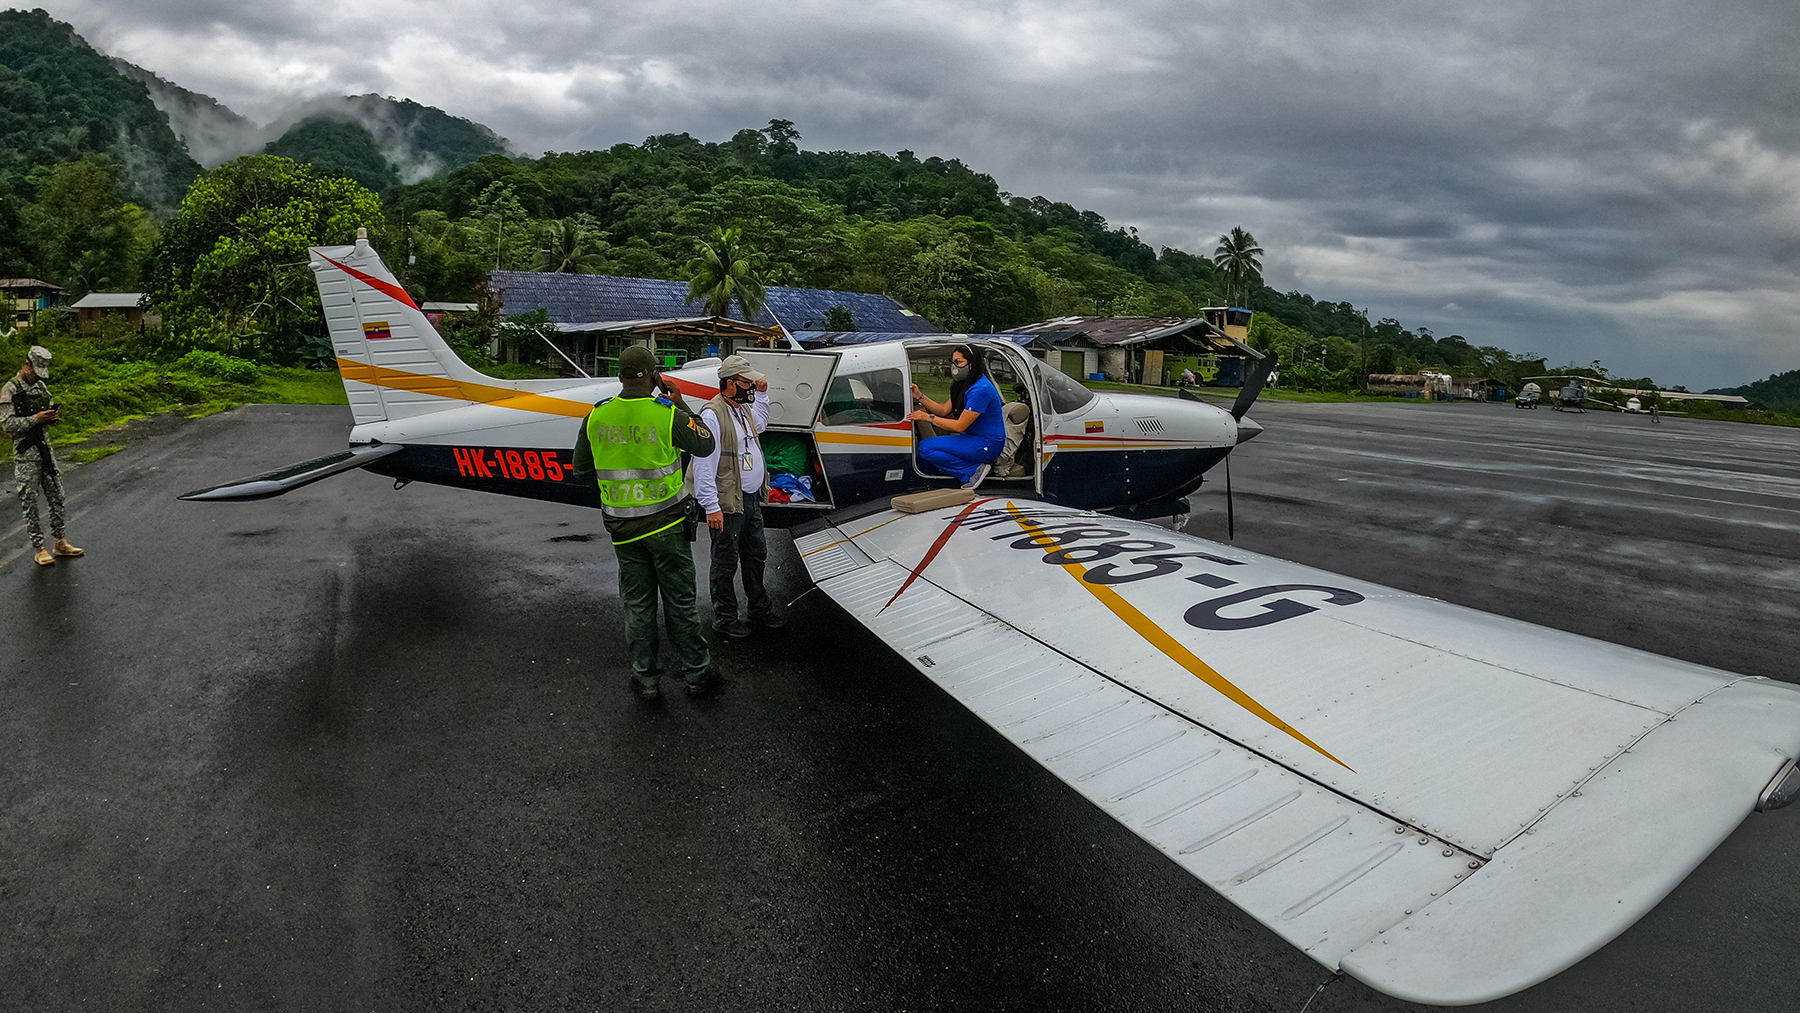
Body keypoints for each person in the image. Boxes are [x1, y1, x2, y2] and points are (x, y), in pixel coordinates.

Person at [573, 346, 719, 700]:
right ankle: (698, 675)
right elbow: (705, 445)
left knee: (637, 604)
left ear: (621, 375)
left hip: (622, 529)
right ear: (654, 375)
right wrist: (680, 403)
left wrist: (615, 497)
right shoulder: (665, 413)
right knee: (680, 602)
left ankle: (646, 680)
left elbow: (581, 471)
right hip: (666, 526)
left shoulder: (597, 415)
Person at [694, 355, 786, 638]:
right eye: (746, 382)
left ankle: (759, 609)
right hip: (728, 501)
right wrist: (711, 506)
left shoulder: (742, 409)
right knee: (725, 560)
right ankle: (724, 617)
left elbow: (759, 425)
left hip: (749, 499)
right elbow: (703, 464)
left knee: (756, 554)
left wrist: (762, 395)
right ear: (730, 384)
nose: (751, 386)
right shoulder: (712, 414)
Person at [2, 346, 83, 567]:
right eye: (35, 371)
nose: (37, 377)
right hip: (26, 454)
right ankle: (39, 547)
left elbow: (47, 413)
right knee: (30, 500)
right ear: (27, 364)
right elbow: (7, 425)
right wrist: (35, 419)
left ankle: (60, 541)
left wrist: (52, 417)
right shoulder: (10, 389)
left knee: (57, 494)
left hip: (45, 449)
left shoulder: (41, 387)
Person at [909, 343, 1006, 489]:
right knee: (931, 448)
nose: (954, 367)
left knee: (925, 448)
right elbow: (943, 410)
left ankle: (973, 470)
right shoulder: (966, 384)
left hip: (987, 444)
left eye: (958, 362)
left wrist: (927, 418)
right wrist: (919, 396)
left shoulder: (981, 389)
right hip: (974, 438)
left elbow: (960, 426)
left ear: (972, 364)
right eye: (953, 362)